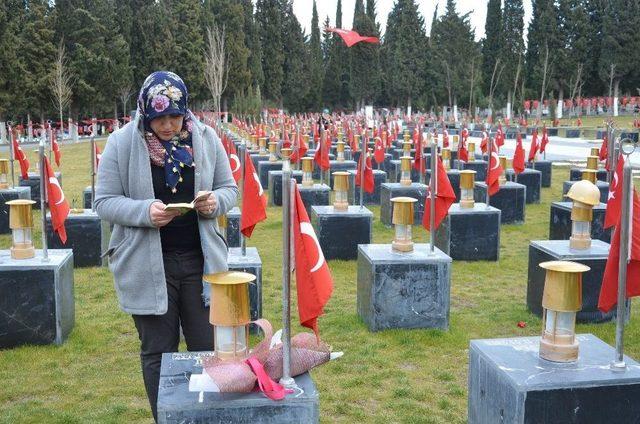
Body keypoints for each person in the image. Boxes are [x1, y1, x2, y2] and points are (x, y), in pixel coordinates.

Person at [95, 71, 238, 422]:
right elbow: (104, 202)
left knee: (208, 347)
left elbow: (230, 189)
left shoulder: (206, 138)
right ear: (146, 112)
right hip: (146, 263)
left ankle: (205, 417)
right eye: (160, 118)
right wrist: (144, 211)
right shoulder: (121, 143)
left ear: (185, 111)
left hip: (201, 263)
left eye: (176, 116)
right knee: (158, 350)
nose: (169, 125)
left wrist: (213, 203)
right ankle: (167, 417)